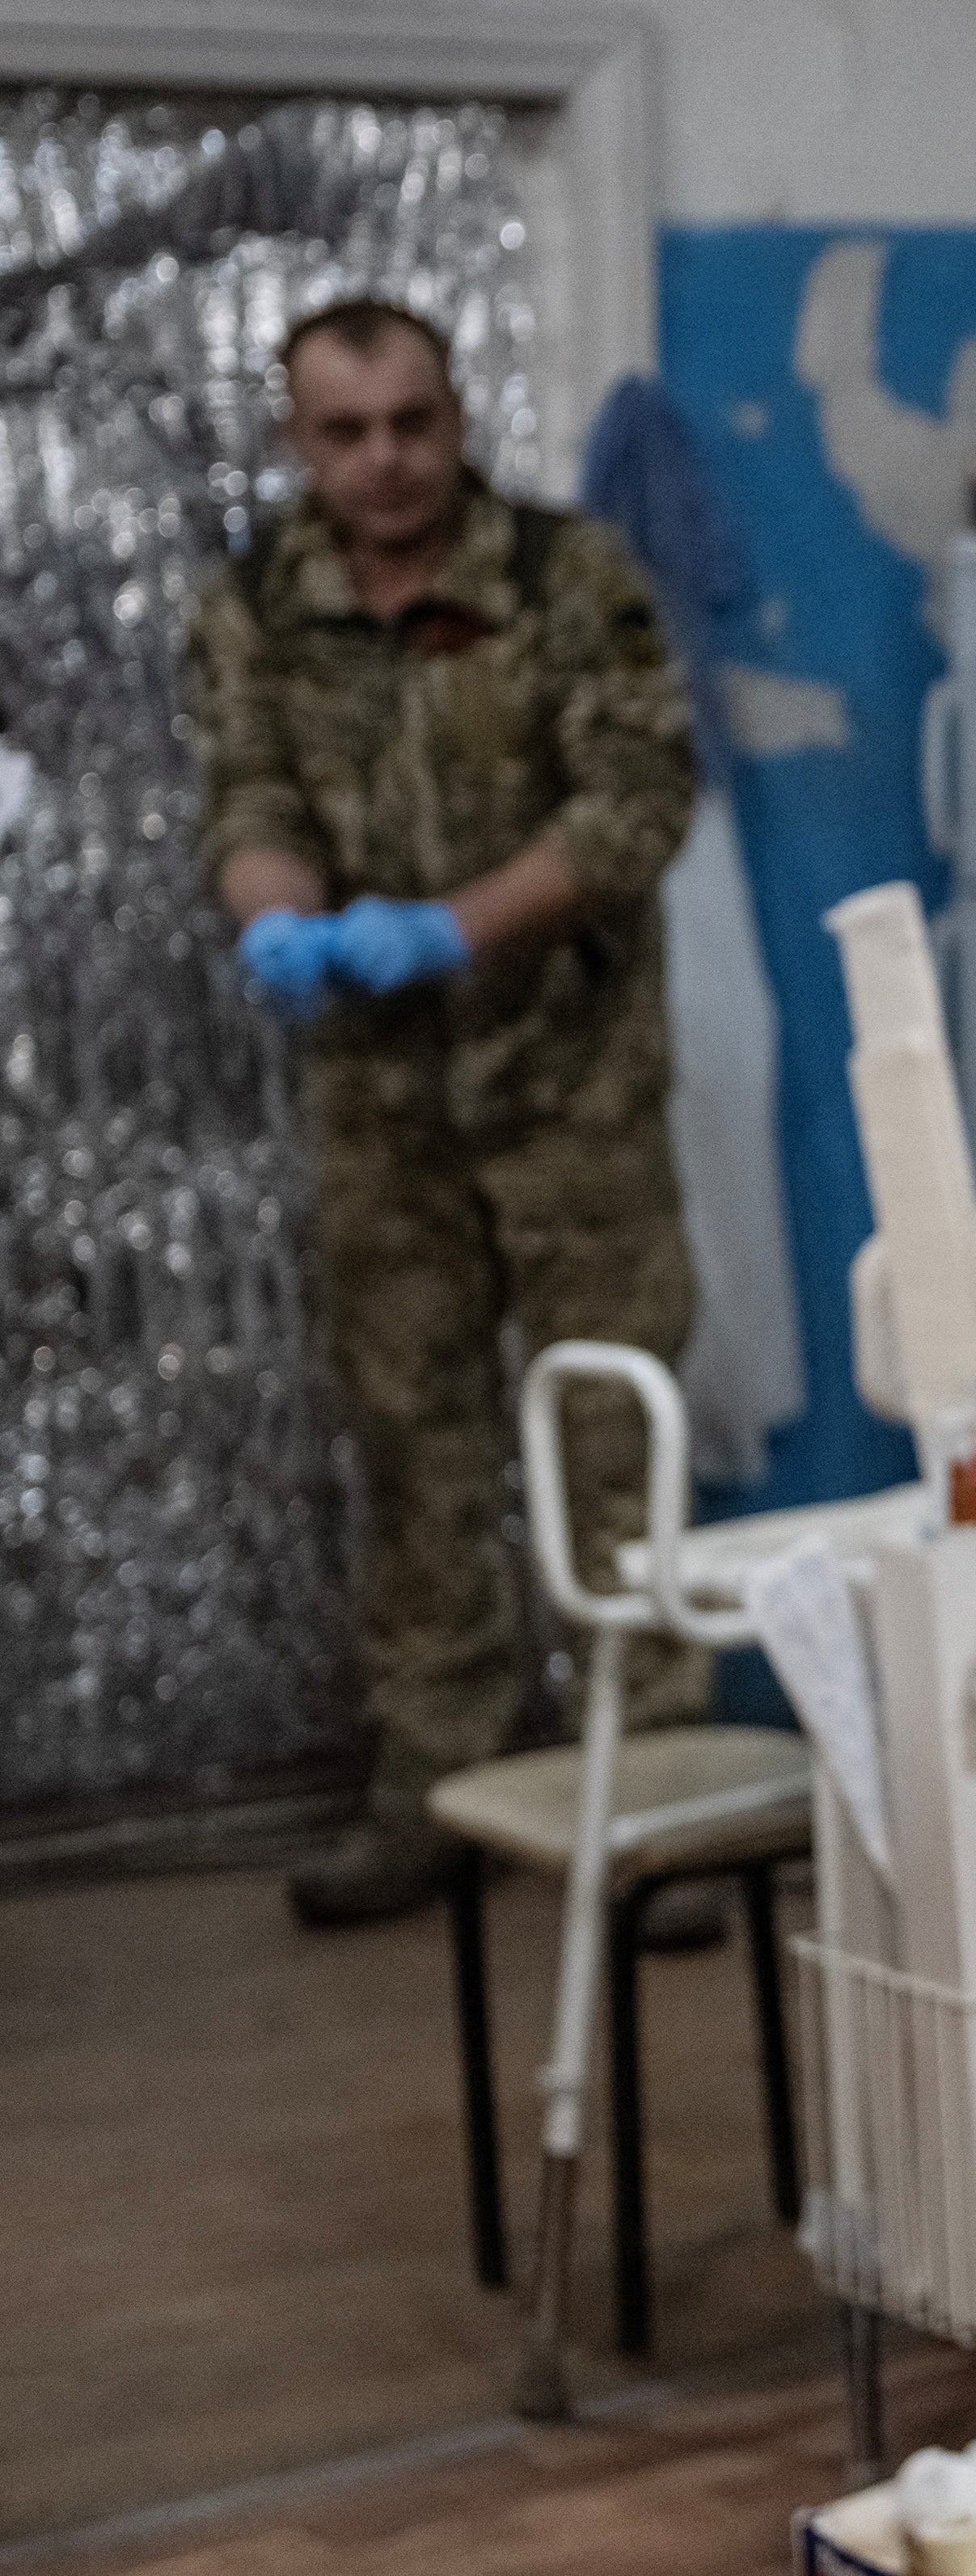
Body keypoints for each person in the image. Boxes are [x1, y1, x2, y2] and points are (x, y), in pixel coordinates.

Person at [194, 298, 711, 1928]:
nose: (387, 460)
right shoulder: (260, 602)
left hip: (566, 1081)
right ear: (300, 441)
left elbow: (636, 806)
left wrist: (449, 926)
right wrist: (277, 916)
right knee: (414, 1435)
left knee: (613, 1430)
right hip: (382, 1097)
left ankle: (663, 1790)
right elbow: (253, 793)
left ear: (457, 414)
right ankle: (437, 1785)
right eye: (346, 433)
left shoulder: (569, 579)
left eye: (412, 422)